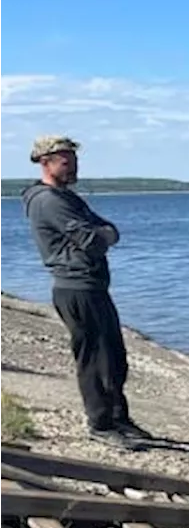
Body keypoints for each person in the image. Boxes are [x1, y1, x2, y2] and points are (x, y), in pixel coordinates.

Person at [20, 135, 150, 448]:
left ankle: (118, 416)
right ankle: (100, 423)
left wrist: (103, 234)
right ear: (45, 162)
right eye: (66, 161)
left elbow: (106, 229)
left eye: (74, 160)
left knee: (115, 356)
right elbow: (92, 240)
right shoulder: (48, 200)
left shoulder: (67, 198)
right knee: (94, 358)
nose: (73, 166)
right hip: (75, 287)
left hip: (92, 286)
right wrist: (102, 235)